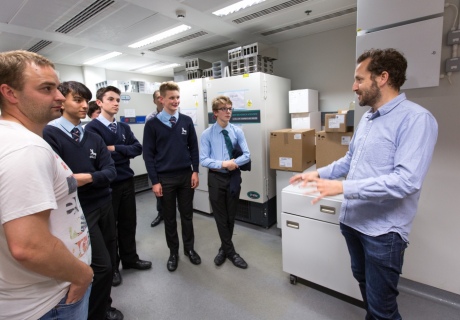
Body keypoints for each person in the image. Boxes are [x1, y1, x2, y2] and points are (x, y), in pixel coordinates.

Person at [289, 48, 438, 320]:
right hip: (353, 222)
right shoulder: (368, 118)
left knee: (383, 308)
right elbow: (350, 160)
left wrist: (344, 188)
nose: (353, 86)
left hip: (382, 233)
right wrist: (319, 174)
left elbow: (407, 181)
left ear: (382, 78)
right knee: (366, 290)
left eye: (359, 79)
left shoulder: (416, 119)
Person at [0, 50, 93, 319]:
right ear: (10, 93)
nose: (60, 97)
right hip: (50, 301)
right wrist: (82, 274)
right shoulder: (26, 148)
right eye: (46, 88)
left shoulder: (13, 139)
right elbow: (29, 246)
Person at [43, 81, 123, 320]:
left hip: (104, 203)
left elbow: (111, 172)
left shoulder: (91, 135)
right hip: (78, 210)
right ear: (62, 101)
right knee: (100, 266)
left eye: (84, 101)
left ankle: (104, 305)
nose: (83, 105)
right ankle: (94, 313)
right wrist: (91, 177)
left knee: (110, 259)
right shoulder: (50, 134)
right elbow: (61, 181)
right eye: (77, 100)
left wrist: (86, 177)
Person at [85, 85, 152, 288]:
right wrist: (123, 152)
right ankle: (113, 267)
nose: (116, 103)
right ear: (99, 103)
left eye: (118, 100)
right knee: (109, 229)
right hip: (107, 186)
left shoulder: (123, 128)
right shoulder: (92, 129)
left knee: (128, 223)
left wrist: (114, 148)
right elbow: (98, 158)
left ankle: (130, 259)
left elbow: (137, 148)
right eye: (111, 99)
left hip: (126, 182)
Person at [143, 81, 201, 272]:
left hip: (185, 176)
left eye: (177, 97)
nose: (176, 101)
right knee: (169, 218)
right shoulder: (152, 124)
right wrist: (155, 181)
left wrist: (195, 170)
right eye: (171, 98)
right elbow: (148, 155)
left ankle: (189, 249)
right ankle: (173, 253)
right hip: (165, 179)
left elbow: (193, 147)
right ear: (162, 99)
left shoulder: (186, 121)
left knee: (187, 216)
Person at [200, 95, 251, 269]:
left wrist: (233, 163)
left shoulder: (237, 131)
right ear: (215, 113)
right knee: (220, 217)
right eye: (224, 109)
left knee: (230, 216)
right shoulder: (207, 134)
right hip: (215, 178)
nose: (228, 112)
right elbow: (203, 159)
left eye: (230, 108)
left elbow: (247, 155)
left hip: (233, 178)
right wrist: (223, 164)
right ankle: (232, 253)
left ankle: (224, 249)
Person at [146, 90, 164, 228]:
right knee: (160, 191)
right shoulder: (150, 119)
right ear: (154, 101)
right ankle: (161, 214)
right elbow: (149, 146)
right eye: (158, 97)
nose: (161, 99)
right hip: (159, 161)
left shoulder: (178, 117)